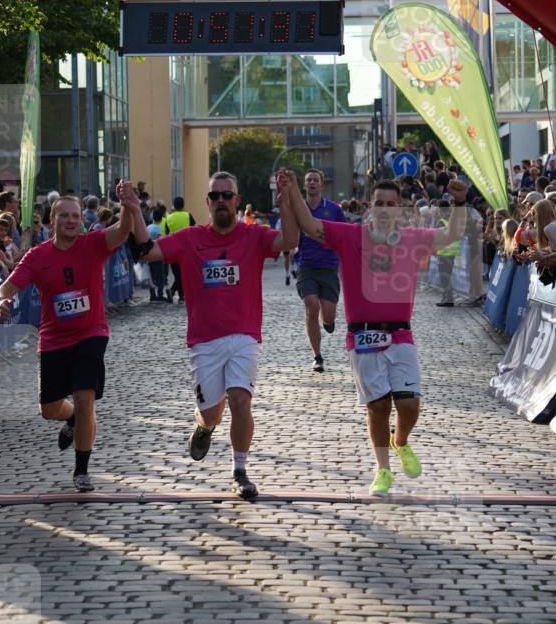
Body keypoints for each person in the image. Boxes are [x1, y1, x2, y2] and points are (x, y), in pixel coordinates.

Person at [282, 173, 468, 496]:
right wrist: (293, 189)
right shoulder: (350, 235)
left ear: (400, 208)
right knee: (378, 407)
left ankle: (401, 441)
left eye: (391, 204)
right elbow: (309, 225)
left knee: (409, 406)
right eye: (379, 203)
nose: (384, 209)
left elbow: (452, 233)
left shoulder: (412, 238)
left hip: (400, 334)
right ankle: (383, 469)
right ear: (370, 207)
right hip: (362, 337)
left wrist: (460, 202)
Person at [138, 170, 298, 499]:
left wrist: (286, 202)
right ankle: (205, 425)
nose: (221, 201)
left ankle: (240, 470)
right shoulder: (189, 238)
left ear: (237, 200)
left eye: (227, 195)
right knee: (212, 411)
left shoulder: (253, 236)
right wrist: (130, 207)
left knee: (240, 400)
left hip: (244, 335)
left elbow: (290, 241)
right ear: (207, 202)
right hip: (204, 340)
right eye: (215, 196)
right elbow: (147, 251)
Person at [0, 182, 148, 493]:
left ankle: (82, 470)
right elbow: (5, 287)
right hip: (54, 339)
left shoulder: (94, 244)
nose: (71, 220)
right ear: (52, 221)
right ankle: (73, 417)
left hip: (91, 333)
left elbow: (123, 229)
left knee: (85, 397)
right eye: (64, 215)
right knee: (49, 409)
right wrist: (1, 301)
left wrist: (127, 203)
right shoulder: (38, 256)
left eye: (75, 216)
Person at [293, 168, 346, 372]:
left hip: (329, 267)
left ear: (322, 185)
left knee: (329, 316)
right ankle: (317, 356)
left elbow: (344, 235)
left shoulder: (333, 209)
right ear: (304, 185)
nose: (312, 183)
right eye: (309, 180)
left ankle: (328, 321)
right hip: (306, 266)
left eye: (315, 180)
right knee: (311, 307)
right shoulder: (298, 210)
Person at [162, 196, 196, 302]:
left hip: (173, 249)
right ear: (183, 205)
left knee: (177, 273)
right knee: (183, 273)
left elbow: (166, 233)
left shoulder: (168, 218)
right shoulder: (188, 215)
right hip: (186, 249)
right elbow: (194, 229)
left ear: (174, 206)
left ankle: (178, 294)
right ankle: (176, 293)